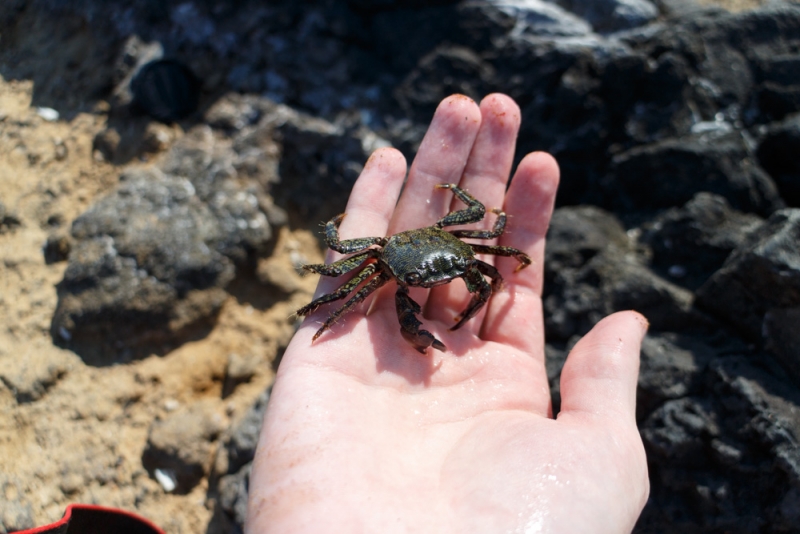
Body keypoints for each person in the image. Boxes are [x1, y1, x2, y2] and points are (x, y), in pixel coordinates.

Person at [246, 94, 649, 533]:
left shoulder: (462, 249)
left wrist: (466, 220)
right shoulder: (382, 260)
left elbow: (488, 225)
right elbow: (339, 253)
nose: (435, 287)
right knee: (340, 296)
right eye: (426, 282)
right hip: (401, 255)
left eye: (447, 277)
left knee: (487, 277)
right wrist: (322, 296)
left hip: (443, 246)